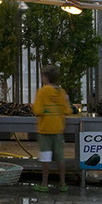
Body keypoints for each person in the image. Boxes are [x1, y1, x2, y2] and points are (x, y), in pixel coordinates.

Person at [33, 65, 72, 193]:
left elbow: (37, 110)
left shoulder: (42, 91)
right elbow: (67, 110)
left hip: (44, 130)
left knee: (45, 158)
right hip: (58, 130)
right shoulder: (62, 92)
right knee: (60, 158)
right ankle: (62, 183)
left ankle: (44, 184)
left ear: (46, 77)